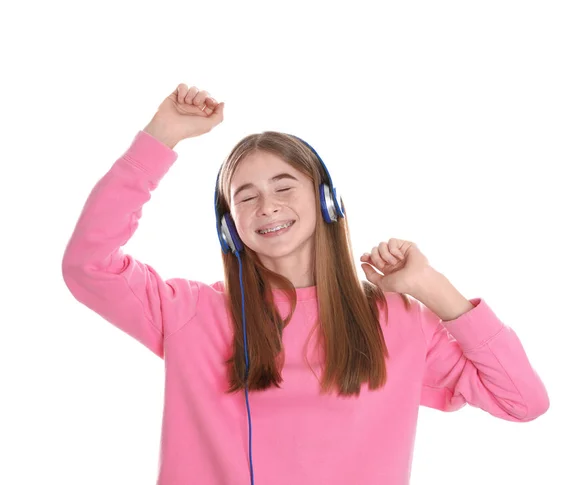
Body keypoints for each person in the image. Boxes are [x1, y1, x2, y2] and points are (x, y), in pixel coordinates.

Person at [62, 83, 550, 485]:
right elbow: (88, 263)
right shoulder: (189, 312)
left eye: (283, 186)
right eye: (245, 197)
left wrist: (430, 287)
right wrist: (160, 136)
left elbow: (522, 402)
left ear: (327, 203)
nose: (267, 206)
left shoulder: (398, 321)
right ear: (230, 227)